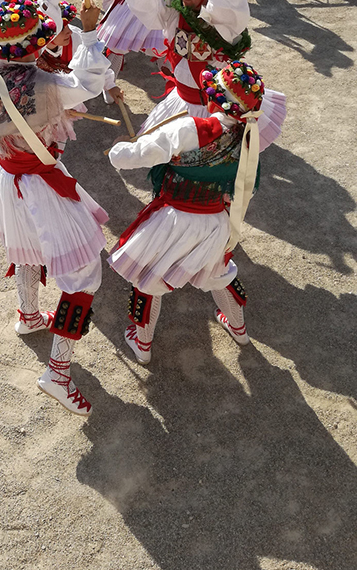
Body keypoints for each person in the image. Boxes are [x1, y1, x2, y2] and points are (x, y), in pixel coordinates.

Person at [0, 0, 110, 416]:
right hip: (35, 182)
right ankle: (58, 374)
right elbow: (91, 80)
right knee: (83, 276)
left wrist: (47, 118)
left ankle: (28, 316)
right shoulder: (48, 85)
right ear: (31, 46)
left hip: (3, 174)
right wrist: (90, 31)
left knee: (25, 246)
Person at [108, 62, 280, 363]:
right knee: (219, 274)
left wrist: (119, 149)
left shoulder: (189, 128)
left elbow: (130, 157)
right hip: (214, 221)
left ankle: (143, 344)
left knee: (149, 278)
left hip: (172, 219)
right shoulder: (247, 139)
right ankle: (239, 329)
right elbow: (245, 188)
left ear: (213, 98)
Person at [123, 0, 286, 151]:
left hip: (217, 110)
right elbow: (149, 8)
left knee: (216, 159)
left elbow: (229, 9)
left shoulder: (224, 17)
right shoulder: (173, 8)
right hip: (183, 100)